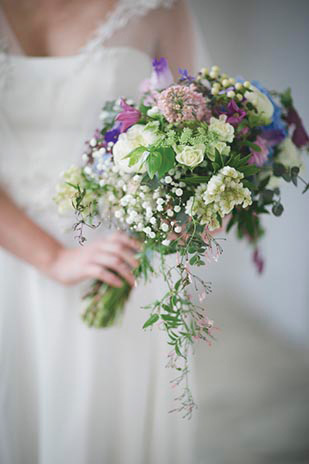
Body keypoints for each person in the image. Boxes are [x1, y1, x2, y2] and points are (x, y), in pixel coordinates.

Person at [0, 1, 204, 463]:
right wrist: (54, 257)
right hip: (10, 261)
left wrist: (195, 207)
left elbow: (194, 134)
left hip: (120, 259)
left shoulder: (159, 10)